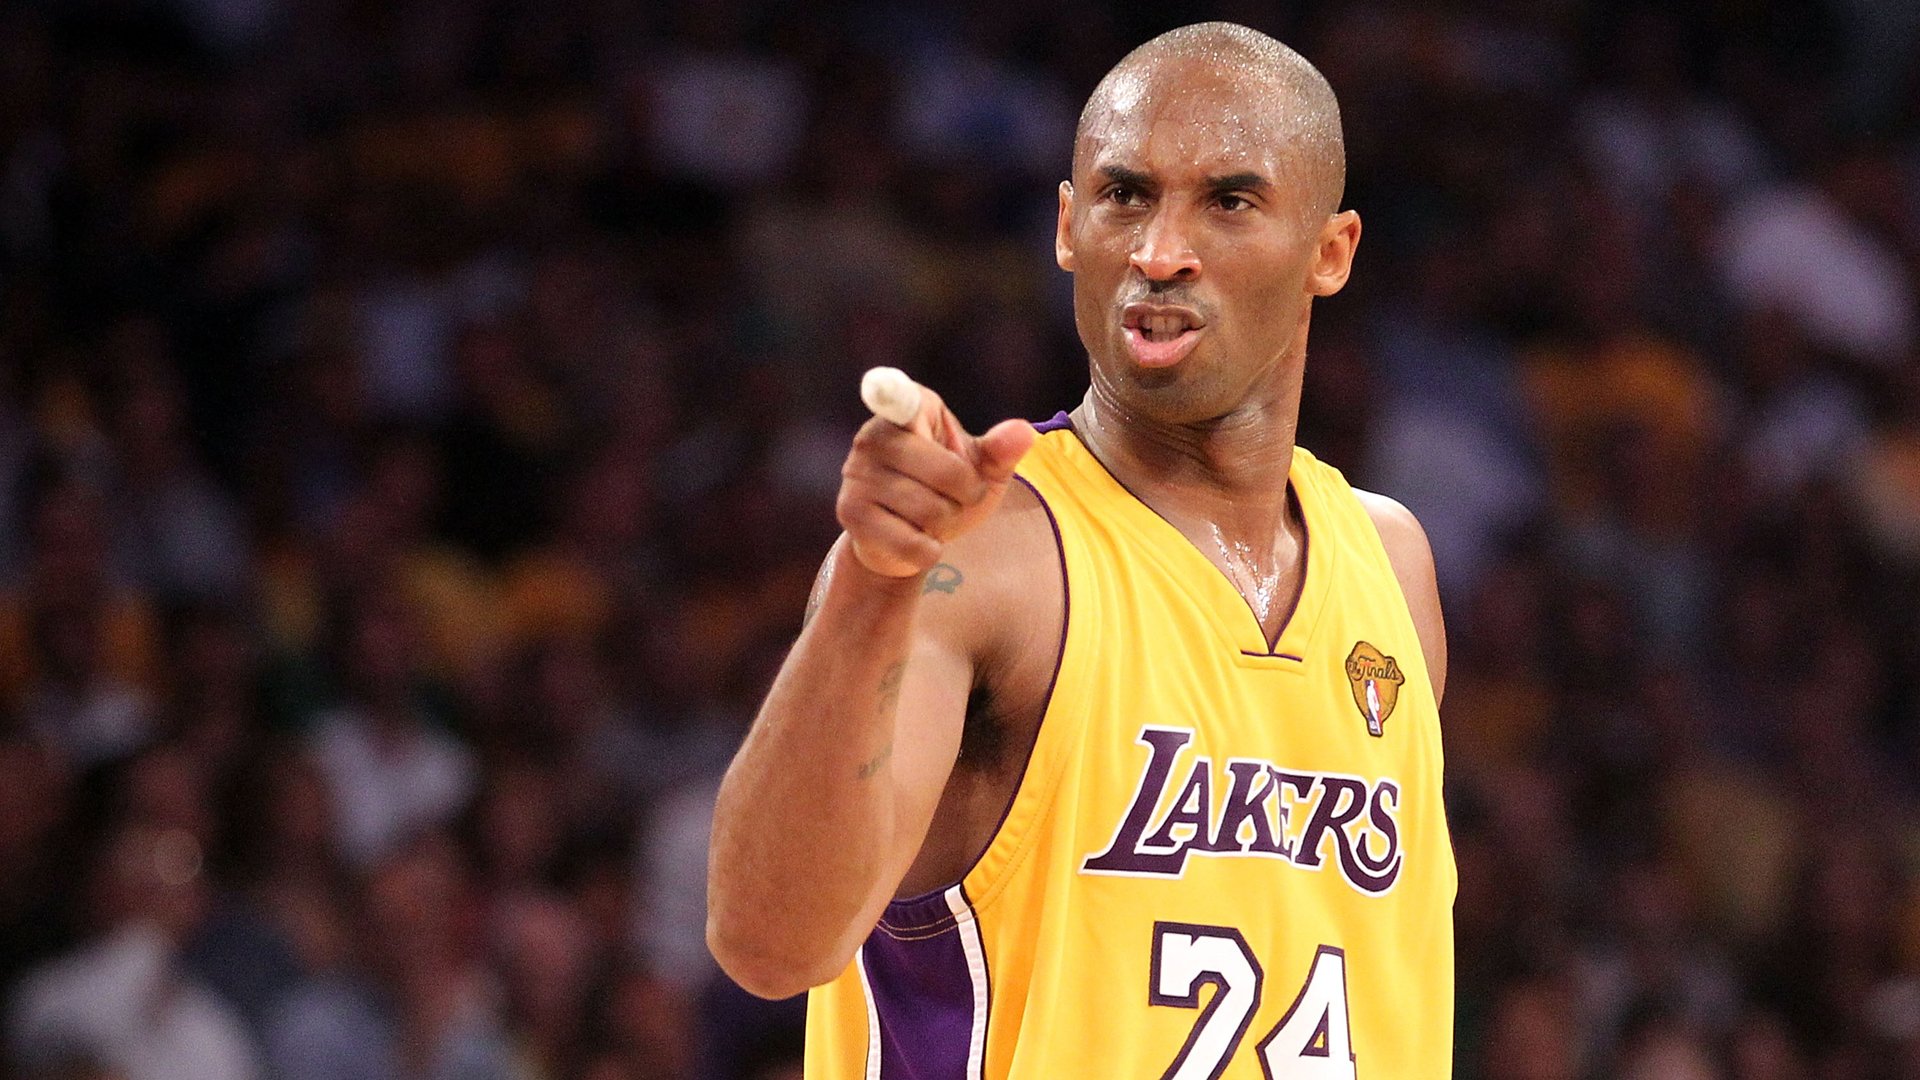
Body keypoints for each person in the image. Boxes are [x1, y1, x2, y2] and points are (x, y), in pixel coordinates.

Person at [707, 21, 1454, 1078]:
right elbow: (767, 945)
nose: (1159, 253)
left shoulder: (1393, 565)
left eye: (1229, 201)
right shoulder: (982, 567)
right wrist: (872, 589)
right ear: (1067, 228)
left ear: (1330, 253)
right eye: (1125, 196)